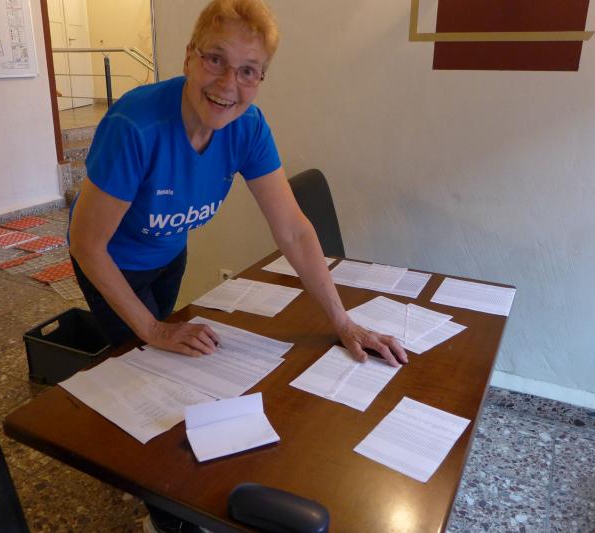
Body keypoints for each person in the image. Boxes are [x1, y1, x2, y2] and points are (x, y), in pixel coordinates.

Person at [70, 2, 408, 530]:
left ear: (261, 78)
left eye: (248, 71)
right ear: (189, 57)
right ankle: (162, 507)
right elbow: (87, 243)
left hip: (167, 254)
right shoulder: (135, 125)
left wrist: (343, 322)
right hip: (111, 262)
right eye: (216, 60)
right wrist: (153, 329)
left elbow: (293, 229)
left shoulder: (247, 126)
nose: (229, 83)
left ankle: (175, 485)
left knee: (175, 365)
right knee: (145, 375)